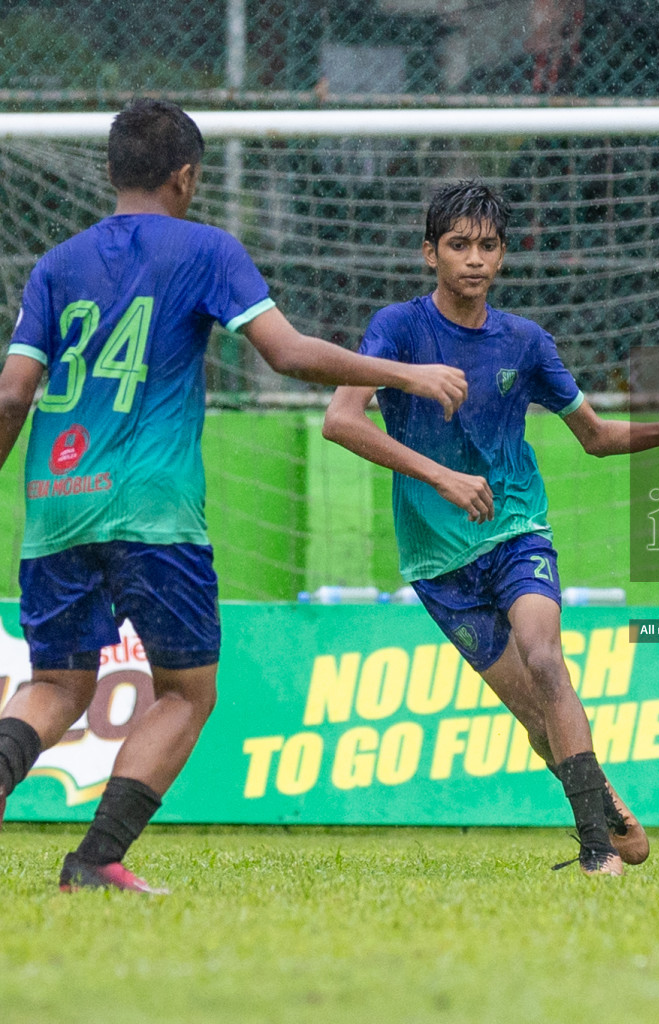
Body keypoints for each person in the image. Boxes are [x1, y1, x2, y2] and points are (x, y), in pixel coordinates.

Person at [0, 99, 469, 893]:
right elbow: (285, 354)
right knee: (186, 690)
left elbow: (13, 393)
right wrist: (403, 372)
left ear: (114, 170)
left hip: (55, 502)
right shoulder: (207, 249)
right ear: (186, 177)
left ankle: (87, 854)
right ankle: (96, 860)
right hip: (153, 510)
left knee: (56, 686)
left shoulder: (57, 264)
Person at [323, 180, 659, 876]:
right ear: (429, 253)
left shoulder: (526, 343)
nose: (474, 259)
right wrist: (437, 475)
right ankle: (601, 802)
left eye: (488, 246)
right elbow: (339, 420)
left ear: (503, 257)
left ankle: (597, 851)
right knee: (533, 718)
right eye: (459, 244)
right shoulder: (399, 329)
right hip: (437, 562)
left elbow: (592, 436)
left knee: (544, 655)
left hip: (514, 530)